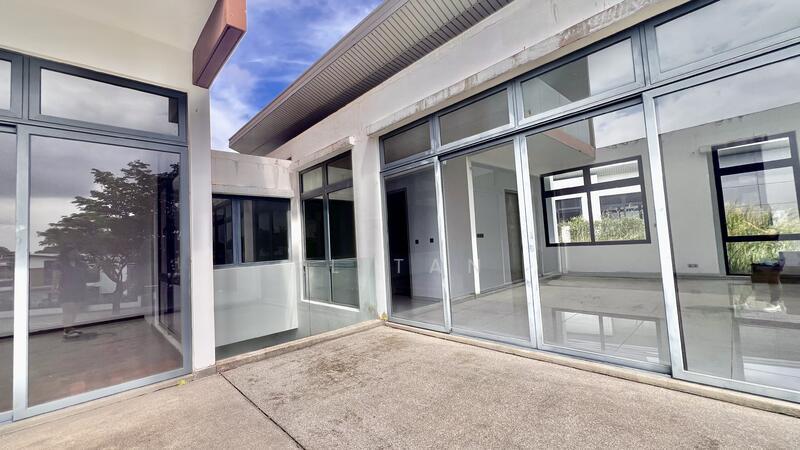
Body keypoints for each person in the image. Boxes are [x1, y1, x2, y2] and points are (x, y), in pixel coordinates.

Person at [53, 247, 92, 339]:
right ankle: (67, 331)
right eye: (72, 252)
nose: (75, 254)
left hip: (79, 290)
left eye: (76, 252)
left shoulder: (82, 264)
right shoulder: (60, 264)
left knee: (74, 311)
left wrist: (99, 264)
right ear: (66, 254)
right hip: (66, 290)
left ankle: (70, 328)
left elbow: (90, 273)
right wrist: (54, 288)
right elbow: (56, 277)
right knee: (68, 310)